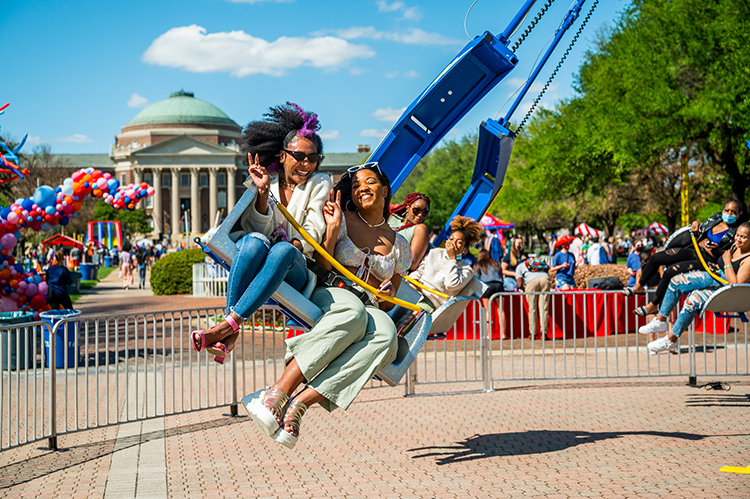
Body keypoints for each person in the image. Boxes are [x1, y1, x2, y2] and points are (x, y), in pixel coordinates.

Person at [243, 162, 410, 449]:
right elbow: (321, 264)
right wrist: (332, 231)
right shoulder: (340, 217)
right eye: (356, 185)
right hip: (333, 291)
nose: (361, 189)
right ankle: (278, 391)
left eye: (369, 183)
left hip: (369, 304)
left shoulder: (401, 244)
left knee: (387, 337)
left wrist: (385, 294)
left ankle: (299, 403)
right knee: (352, 313)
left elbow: (388, 298)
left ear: (384, 190)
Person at [191, 103, 332, 363]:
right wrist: (264, 191)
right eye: (298, 156)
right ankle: (230, 329)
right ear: (281, 155)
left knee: (284, 249)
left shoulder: (319, 182)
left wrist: (295, 246)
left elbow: (314, 227)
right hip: (266, 260)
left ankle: (225, 328)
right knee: (254, 242)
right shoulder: (265, 181)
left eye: (312, 158)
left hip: (297, 268)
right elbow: (258, 231)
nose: (305, 164)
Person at [641, 222, 750, 354]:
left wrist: (727, 262)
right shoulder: (735, 247)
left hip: (726, 290)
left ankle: (671, 339)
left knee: (693, 300)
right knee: (677, 281)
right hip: (717, 275)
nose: (738, 239)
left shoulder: (748, 259)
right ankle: (661, 319)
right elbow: (723, 264)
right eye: (737, 235)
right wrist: (718, 260)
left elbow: (735, 285)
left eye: (743, 237)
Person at [623, 199, 745, 315]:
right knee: (657, 258)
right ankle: (639, 286)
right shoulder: (716, 218)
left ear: (739, 214)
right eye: (726, 210)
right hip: (693, 250)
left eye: (733, 212)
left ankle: (653, 305)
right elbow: (700, 229)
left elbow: (729, 255)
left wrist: (717, 249)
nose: (729, 214)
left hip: (706, 261)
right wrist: (695, 223)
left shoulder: (737, 232)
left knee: (671, 271)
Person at [409, 215, 486, 310]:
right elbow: (419, 272)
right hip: (415, 291)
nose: (453, 243)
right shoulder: (435, 252)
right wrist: (414, 282)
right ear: (447, 241)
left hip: (432, 303)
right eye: (452, 239)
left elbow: (451, 285)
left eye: (459, 242)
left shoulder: (466, 269)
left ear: (465, 249)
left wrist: (452, 258)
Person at [388, 192, 431, 271]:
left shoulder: (420, 229)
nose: (420, 215)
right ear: (408, 208)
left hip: (393, 270)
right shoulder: (392, 218)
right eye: (416, 210)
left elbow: (412, 264)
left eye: (425, 212)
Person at [515, 257, 550, 339]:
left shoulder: (519, 266)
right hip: (545, 279)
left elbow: (519, 284)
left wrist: (525, 290)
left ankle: (533, 333)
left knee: (532, 308)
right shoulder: (538, 263)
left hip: (531, 282)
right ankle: (544, 333)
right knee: (544, 308)